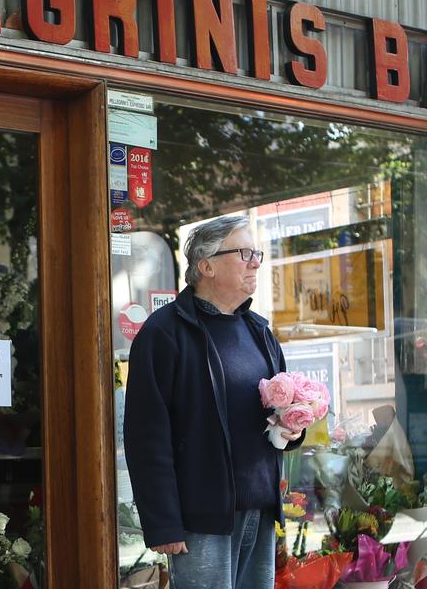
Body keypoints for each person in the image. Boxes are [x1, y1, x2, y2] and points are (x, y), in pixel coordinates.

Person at [123, 217, 304, 589]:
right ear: (206, 266)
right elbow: (146, 437)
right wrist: (163, 523)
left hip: (259, 507)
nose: (255, 262)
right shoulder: (163, 333)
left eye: (257, 253)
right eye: (244, 253)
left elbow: (277, 416)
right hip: (200, 518)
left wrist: (294, 426)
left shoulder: (259, 331)